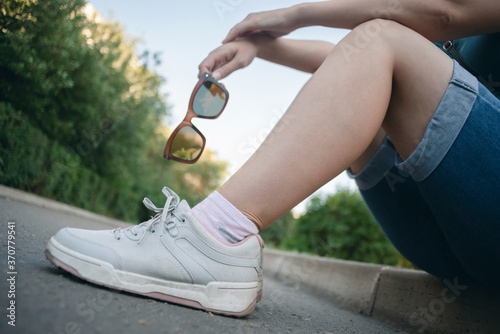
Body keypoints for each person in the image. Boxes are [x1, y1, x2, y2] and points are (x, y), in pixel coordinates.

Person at [46, 1, 500, 317]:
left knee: (383, 41)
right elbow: (361, 61)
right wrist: (263, 48)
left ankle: (216, 238)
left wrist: (292, 16)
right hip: (454, 237)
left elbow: (443, 13)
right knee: (377, 66)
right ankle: (221, 235)